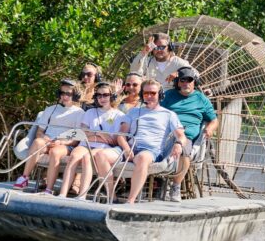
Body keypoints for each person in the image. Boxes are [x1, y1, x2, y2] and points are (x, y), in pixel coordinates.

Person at [94, 79, 187, 204]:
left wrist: (178, 144)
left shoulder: (169, 114)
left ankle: (130, 201)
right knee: (100, 155)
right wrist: (126, 148)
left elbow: (181, 135)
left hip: (150, 151)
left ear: (160, 94)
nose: (149, 96)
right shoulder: (133, 112)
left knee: (143, 158)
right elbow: (121, 135)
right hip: (129, 148)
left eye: (153, 93)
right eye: (146, 93)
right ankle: (112, 197)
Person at [13, 79, 85, 194]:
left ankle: (49, 189)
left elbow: (76, 139)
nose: (64, 96)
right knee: (37, 142)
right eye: (62, 93)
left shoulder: (79, 113)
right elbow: (40, 131)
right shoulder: (50, 109)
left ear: (75, 95)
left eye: (68, 94)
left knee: (55, 152)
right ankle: (24, 178)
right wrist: (44, 138)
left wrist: (61, 142)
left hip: (64, 144)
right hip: (47, 141)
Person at [160, 66, 219, 202]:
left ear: (194, 82)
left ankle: (175, 186)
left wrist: (209, 129)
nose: (186, 83)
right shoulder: (168, 95)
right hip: (167, 133)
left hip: (187, 135)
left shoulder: (201, 99)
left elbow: (214, 120)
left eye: (189, 80)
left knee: (183, 151)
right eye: (183, 80)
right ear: (177, 82)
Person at [58, 82, 124, 199]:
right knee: (74, 156)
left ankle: (82, 195)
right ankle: (62, 193)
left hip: (103, 148)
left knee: (86, 157)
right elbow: (83, 133)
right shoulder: (90, 112)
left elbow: (113, 140)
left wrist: (93, 134)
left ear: (112, 96)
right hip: (85, 144)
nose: (102, 98)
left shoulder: (119, 115)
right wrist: (99, 134)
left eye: (105, 95)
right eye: (99, 95)